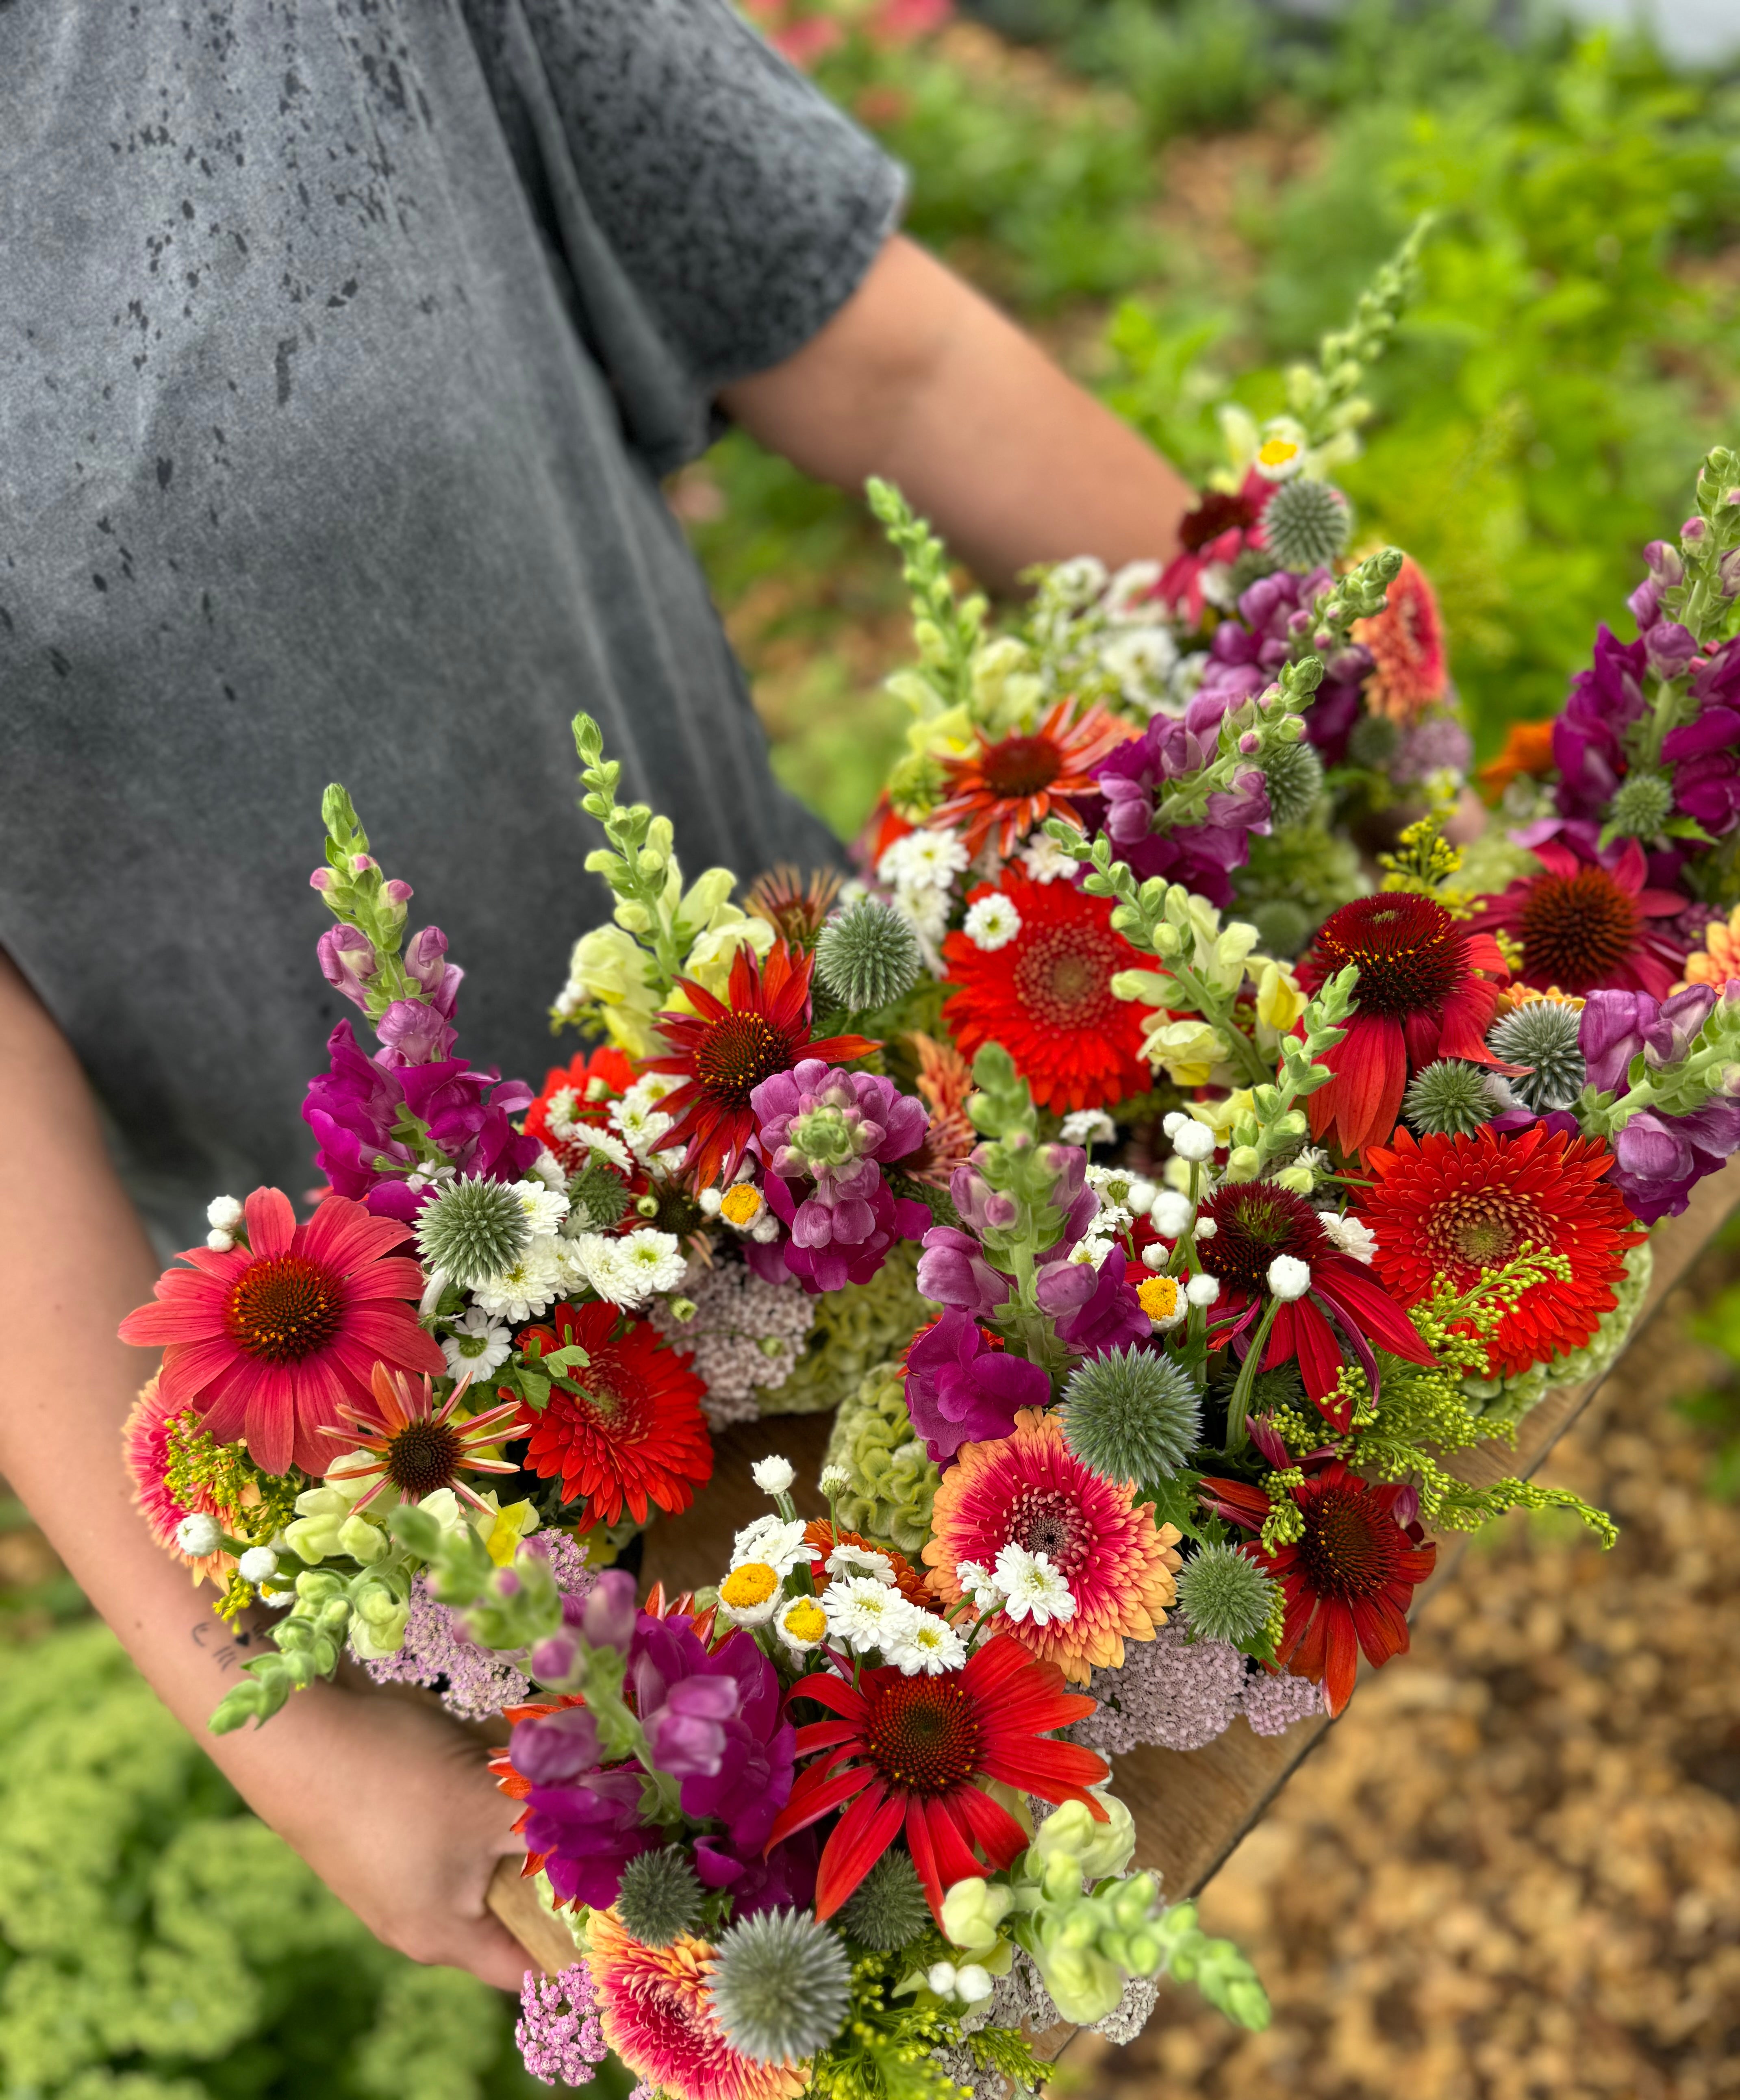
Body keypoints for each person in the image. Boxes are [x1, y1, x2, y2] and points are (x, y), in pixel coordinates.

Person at [0, 0, 1193, 1992]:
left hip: (884, 1127)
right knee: (879, 1973)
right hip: (430, 1445)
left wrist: (1294, 686)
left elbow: (869, 348)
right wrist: (270, 1716)